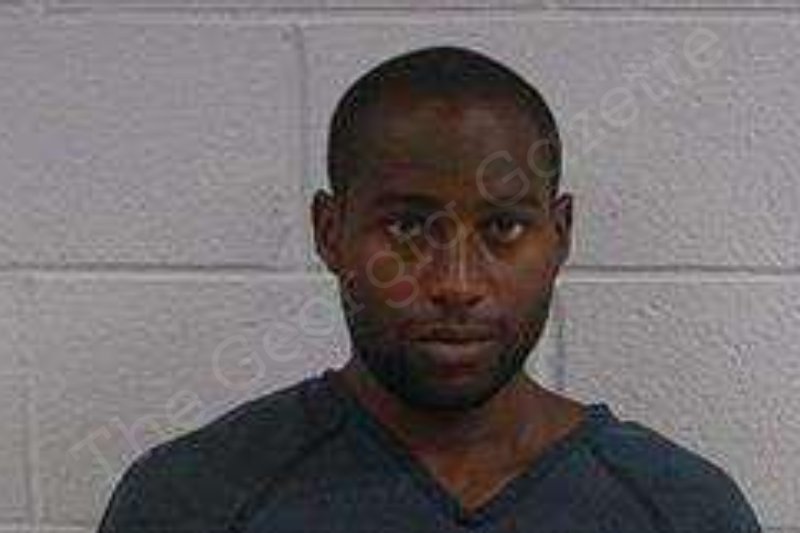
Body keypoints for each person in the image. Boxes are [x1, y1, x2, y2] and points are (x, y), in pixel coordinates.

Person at [97, 46, 762, 533]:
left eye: (503, 228)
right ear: (330, 232)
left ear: (559, 234)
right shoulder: (195, 500)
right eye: (408, 228)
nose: (455, 283)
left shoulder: (680, 509)